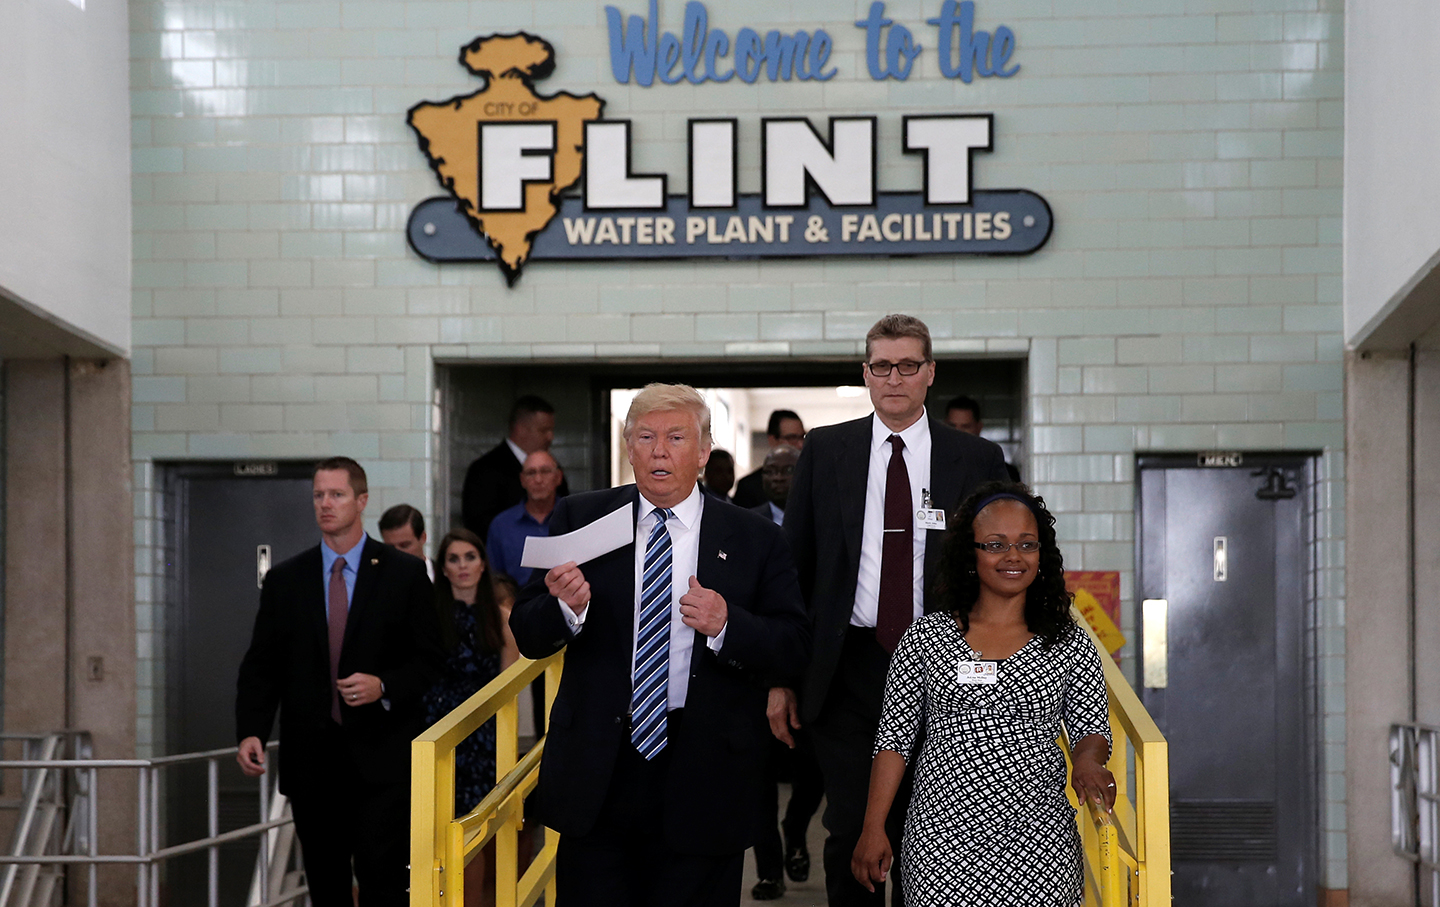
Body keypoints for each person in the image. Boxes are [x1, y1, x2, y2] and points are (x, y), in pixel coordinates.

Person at [509, 383, 810, 907]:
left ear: (703, 452)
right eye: (645, 436)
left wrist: (726, 624)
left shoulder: (755, 536)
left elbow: (793, 645)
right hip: (598, 773)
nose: (659, 450)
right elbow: (527, 632)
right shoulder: (581, 518)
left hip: (705, 774)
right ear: (628, 449)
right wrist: (565, 608)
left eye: (676, 437)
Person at [775, 314, 1010, 907]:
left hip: (949, 667)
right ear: (866, 374)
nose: (894, 378)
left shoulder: (977, 458)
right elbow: (792, 570)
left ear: (930, 373)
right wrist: (781, 679)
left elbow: (1006, 562)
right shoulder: (827, 450)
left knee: (936, 838)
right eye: (882, 366)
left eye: (908, 365)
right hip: (848, 665)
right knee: (852, 828)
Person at [851, 483, 1114, 905]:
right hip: (941, 842)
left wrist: (1085, 761)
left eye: (1027, 544)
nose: (1013, 556)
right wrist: (873, 826)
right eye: (996, 544)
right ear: (970, 554)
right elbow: (894, 740)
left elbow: (1091, 728)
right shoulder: (926, 638)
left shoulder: (1068, 641)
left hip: (1040, 843)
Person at [235, 457, 442, 907]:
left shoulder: (402, 574)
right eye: (318, 495)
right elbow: (262, 664)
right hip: (312, 761)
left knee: (381, 879)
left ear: (361, 501)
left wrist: (384, 685)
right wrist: (251, 728)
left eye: (337, 494)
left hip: (382, 758)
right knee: (325, 884)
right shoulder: (286, 580)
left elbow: (431, 660)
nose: (325, 504)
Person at [747, 443, 822, 900]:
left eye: (787, 470)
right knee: (755, 776)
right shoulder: (747, 519)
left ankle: (796, 829)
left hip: (807, 661)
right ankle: (769, 869)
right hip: (753, 661)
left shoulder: (820, 517)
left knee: (812, 770)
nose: (778, 478)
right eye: (771, 470)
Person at [424, 529, 520, 813]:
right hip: (437, 724)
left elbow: (508, 681)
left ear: (483, 563)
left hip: (485, 726)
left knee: (483, 823)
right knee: (441, 819)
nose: (462, 565)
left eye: (470, 557)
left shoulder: (502, 618)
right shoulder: (428, 616)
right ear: (443, 569)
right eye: (453, 559)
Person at [462, 395, 570, 538]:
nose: (550, 437)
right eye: (543, 430)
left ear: (557, 477)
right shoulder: (485, 470)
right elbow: (477, 526)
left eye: (545, 472)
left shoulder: (554, 467)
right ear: (520, 429)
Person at [487, 450, 564, 587]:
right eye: (531, 473)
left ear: (558, 477)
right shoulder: (502, 525)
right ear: (522, 480)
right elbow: (494, 580)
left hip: (567, 605)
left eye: (545, 471)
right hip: (516, 605)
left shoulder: (573, 518)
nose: (538, 479)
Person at [732, 410, 805, 508]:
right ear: (772, 440)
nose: (800, 444)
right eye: (792, 438)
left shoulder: (814, 480)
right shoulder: (749, 487)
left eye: (802, 437)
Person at [945, 395, 1021, 482]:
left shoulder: (1002, 471)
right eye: (952, 426)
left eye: (965, 427)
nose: (958, 432)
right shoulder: (934, 465)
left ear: (979, 427)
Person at [379, 503, 433, 580]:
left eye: (404, 545)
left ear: (422, 538)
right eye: (390, 547)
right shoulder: (378, 580)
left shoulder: (445, 577)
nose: (397, 553)